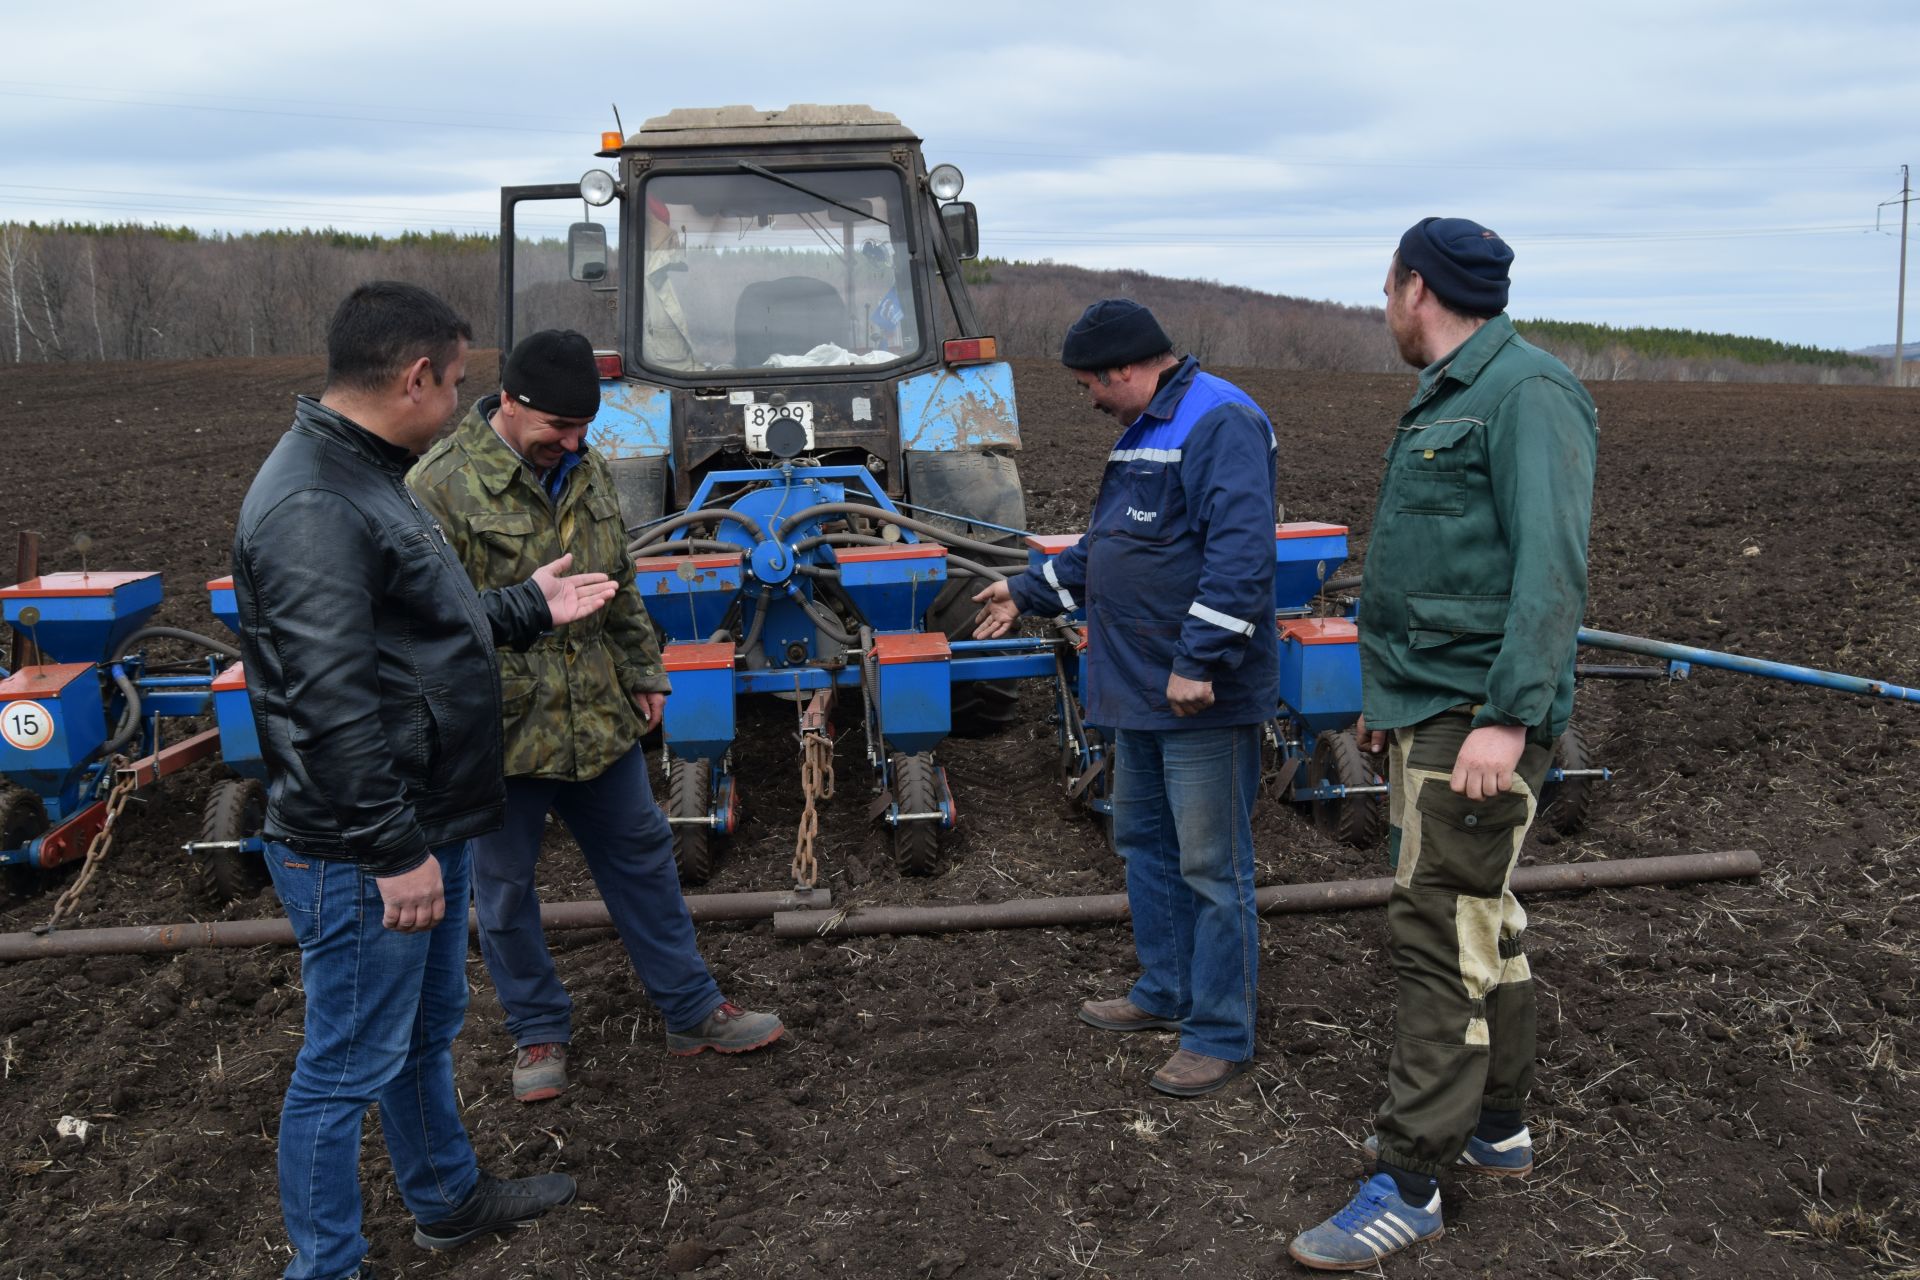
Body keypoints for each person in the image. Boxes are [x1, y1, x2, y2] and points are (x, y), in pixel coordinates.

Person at [233, 282, 618, 1280]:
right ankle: (327, 1266)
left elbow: (407, 635)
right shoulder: (315, 499)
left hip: (422, 816)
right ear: (414, 377)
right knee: (345, 1062)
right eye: (452, 381)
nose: (458, 401)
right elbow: (330, 700)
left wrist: (528, 606)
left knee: (421, 1030)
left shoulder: (366, 475)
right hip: (366, 843)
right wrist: (395, 848)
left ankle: (448, 1198)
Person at [1287, 219, 1599, 1270]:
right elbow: (1436, 570)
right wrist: (1388, 695)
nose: (1383, 310)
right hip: (1436, 708)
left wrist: (1505, 718)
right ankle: (1498, 1124)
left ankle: (1410, 1181)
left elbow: (1550, 569)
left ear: (1415, 286)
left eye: (1385, 289)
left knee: (1436, 935)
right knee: (1482, 920)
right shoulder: (1456, 391)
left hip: (1478, 719)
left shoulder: (1526, 394)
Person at [409, 328, 783, 1104]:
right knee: (505, 893)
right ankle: (538, 1030)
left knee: (646, 863)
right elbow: (424, 627)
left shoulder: (587, 468)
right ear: (509, 404)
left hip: (598, 719)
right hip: (501, 734)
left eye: (584, 428)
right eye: (557, 428)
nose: (573, 443)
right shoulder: (438, 488)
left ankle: (690, 1009)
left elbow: (618, 578)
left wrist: (644, 669)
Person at [973, 299, 1278, 1098]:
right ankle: (1166, 991)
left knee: (1213, 866)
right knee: (1143, 841)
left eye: (1089, 386)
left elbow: (1243, 558)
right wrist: (1024, 589)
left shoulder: (1221, 421)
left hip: (1193, 693)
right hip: (1137, 686)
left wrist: (1199, 659)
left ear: (1126, 370)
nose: (1089, 399)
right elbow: (1111, 547)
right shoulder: (1147, 431)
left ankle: (1219, 1031)